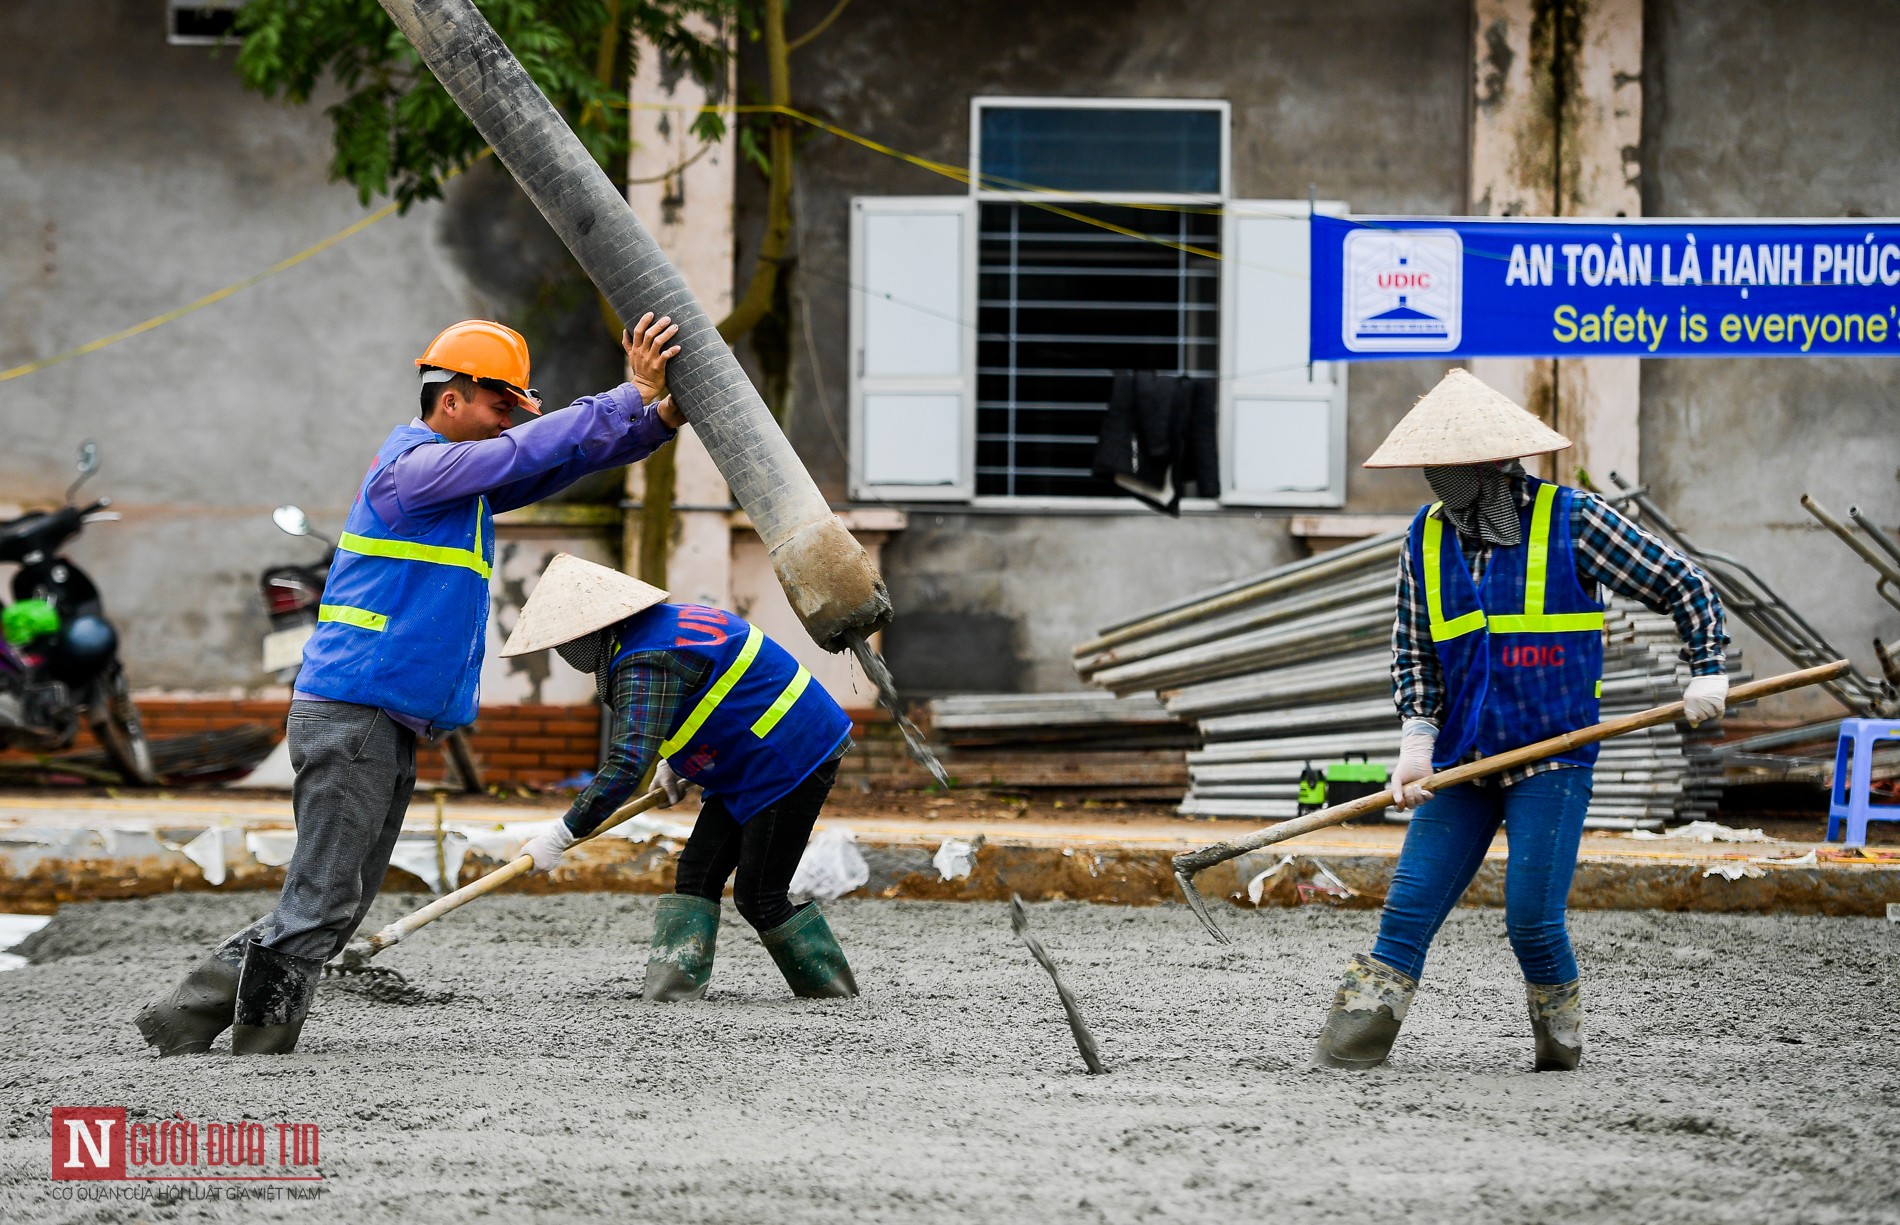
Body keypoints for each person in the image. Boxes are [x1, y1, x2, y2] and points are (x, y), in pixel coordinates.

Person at [136, 315, 686, 1055]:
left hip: (379, 718)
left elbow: (551, 463)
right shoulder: (415, 473)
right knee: (324, 897)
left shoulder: (460, 490)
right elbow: (529, 448)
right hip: (354, 713)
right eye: (498, 406)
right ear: (450, 398)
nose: (505, 424)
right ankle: (255, 1043)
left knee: (335, 901)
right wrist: (627, 393)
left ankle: (189, 1016)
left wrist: (650, 422)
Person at [1311, 368, 1729, 1072]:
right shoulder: (1427, 536)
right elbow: (1414, 647)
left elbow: (1682, 581)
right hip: (1464, 757)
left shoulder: (1575, 519)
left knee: (1531, 920)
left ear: (1490, 464)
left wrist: (1706, 665)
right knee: (1408, 909)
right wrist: (1417, 737)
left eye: (1448, 468)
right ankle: (1348, 1050)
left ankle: (1559, 1049)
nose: (1434, 481)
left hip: (1553, 755)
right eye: (1430, 468)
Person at [500, 553, 859, 1001]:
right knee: (696, 872)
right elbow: (709, 692)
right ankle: (671, 997)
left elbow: (627, 762)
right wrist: (678, 762)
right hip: (750, 758)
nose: (562, 653)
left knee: (759, 895)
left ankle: (835, 998)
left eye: (562, 643)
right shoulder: (660, 628)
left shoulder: (644, 658)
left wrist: (561, 834)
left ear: (586, 635)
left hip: (790, 756)